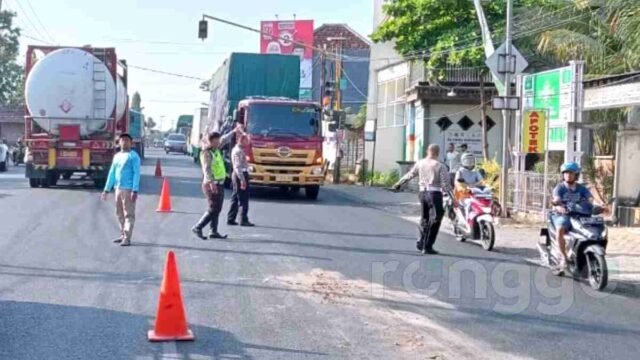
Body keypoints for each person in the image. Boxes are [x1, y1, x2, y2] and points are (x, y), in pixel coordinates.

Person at [392, 144, 454, 255]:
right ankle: (428, 245)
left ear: (427, 151)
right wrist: (454, 199)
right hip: (435, 193)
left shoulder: (420, 163)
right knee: (436, 219)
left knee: (425, 218)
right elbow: (446, 185)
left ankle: (421, 241)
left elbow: (410, 174)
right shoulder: (440, 165)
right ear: (438, 153)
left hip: (422, 193)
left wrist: (398, 184)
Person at [191, 125, 243, 240]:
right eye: (215, 141)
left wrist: (234, 131)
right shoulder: (206, 153)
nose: (218, 143)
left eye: (218, 141)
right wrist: (211, 182)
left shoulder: (216, 149)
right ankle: (198, 227)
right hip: (211, 184)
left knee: (218, 208)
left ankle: (213, 231)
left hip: (219, 183)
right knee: (213, 208)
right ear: (210, 142)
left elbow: (224, 139)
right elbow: (207, 169)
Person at [550, 162, 594, 274]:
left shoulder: (581, 188)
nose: (568, 175)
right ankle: (563, 256)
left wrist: (598, 205)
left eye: (571, 173)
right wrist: (558, 205)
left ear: (576, 175)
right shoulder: (559, 187)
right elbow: (556, 198)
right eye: (566, 173)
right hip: (563, 215)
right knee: (560, 229)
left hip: (579, 215)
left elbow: (590, 199)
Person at [101, 133, 141, 247]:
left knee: (128, 214)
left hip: (128, 189)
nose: (124, 142)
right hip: (117, 188)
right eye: (122, 140)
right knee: (119, 213)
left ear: (131, 143)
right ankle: (122, 234)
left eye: (127, 140)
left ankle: (127, 238)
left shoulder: (133, 156)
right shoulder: (117, 156)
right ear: (119, 143)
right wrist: (106, 190)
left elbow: (136, 173)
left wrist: (135, 190)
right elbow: (112, 173)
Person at [227, 134, 254, 226]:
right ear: (241, 140)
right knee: (243, 198)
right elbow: (237, 167)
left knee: (235, 197)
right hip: (240, 175)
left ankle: (231, 218)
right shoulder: (238, 151)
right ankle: (243, 219)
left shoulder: (239, 150)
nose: (248, 143)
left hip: (240, 174)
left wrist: (248, 168)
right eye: (247, 141)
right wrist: (242, 180)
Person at [454, 153, 484, 219]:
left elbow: (481, 181)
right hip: (463, 195)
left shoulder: (475, 171)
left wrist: (476, 185)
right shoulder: (460, 172)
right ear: (463, 161)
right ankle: (468, 221)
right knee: (470, 203)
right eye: (467, 160)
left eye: (471, 160)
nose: (469, 162)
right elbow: (457, 183)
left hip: (475, 194)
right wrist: (463, 187)